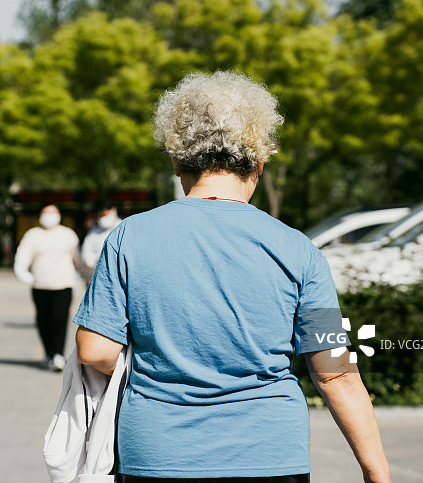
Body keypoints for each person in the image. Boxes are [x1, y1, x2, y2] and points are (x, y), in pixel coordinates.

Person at [73, 72, 392, 483]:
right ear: (259, 163)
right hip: (272, 455)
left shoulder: (129, 237)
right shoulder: (298, 250)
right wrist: (376, 471)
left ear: (176, 161)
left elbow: (94, 350)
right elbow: (336, 372)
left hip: (159, 454)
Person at [14, 204, 81, 372]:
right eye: (46, 213)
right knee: (43, 321)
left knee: (59, 319)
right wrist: (25, 274)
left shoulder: (68, 235)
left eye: (53, 213)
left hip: (63, 285)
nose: (49, 216)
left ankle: (58, 354)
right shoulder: (33, 235)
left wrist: (88, 277)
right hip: (40, 285)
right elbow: (22, 258)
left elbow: (78, 259)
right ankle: (48, 352)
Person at [80, 198, 122, 281]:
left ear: (114, 211)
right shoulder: (93, 233)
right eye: (100, 215)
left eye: (104, 214)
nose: (102, 218)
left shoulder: (123, 228)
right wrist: (97, 261)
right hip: (99, 277)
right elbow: (86, 255)